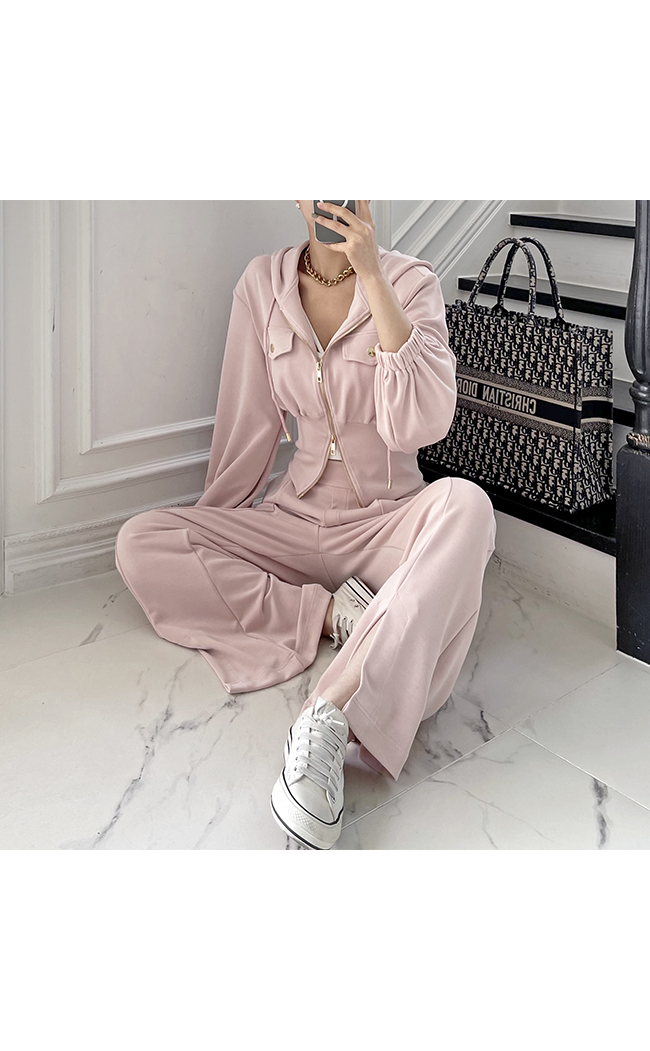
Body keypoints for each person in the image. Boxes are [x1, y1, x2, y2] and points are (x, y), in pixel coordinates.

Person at [114, 200, 497, 850]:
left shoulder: (411, 281)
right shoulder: (261, 285)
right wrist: (217, 535)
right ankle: (332, 616)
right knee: (141, 540)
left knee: (469, 507)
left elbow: (423, 423)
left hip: (387, 524)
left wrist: (371, 274)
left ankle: (330, 716)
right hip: (292, 519)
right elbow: (246, 425)